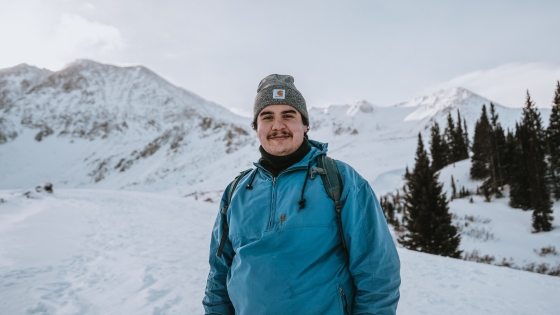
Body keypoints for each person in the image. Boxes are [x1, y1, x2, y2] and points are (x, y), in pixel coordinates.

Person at [203, 74, 400, 315]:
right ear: (256, 127)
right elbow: (218, 274)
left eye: (288, 115)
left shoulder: (341, 180)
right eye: (267, 116)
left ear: (305, 124)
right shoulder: (237, 191)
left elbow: (376, 271)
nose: (278, 126)